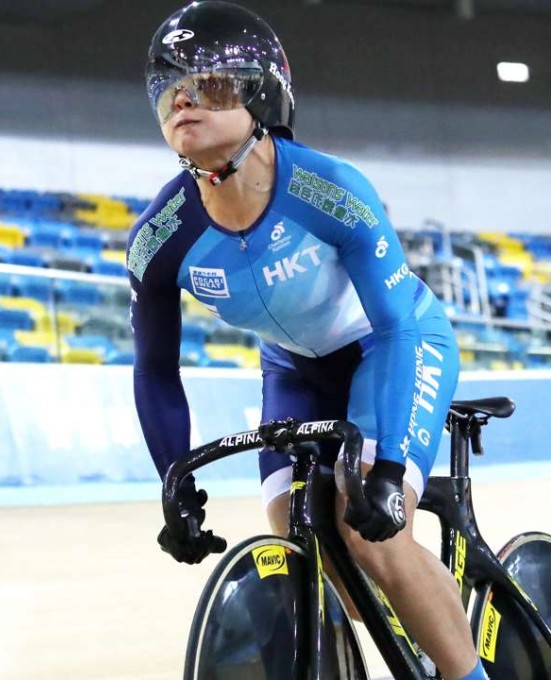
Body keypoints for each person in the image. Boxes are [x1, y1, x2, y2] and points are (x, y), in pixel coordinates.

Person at [129, 3, 485, 679]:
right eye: (171, 89)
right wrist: (172, 477)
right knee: (300, 542)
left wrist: (385, 473)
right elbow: (154, 370)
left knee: (372, 534)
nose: (184, 99)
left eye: (209, 85)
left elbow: (393, 326)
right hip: (292, 369)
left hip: (391, 347)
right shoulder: (160, 236)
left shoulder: (332, 190)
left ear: (261, 94)